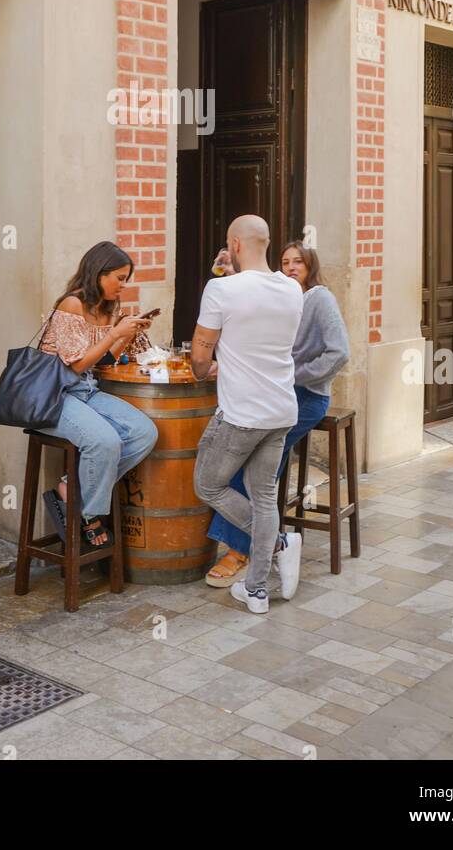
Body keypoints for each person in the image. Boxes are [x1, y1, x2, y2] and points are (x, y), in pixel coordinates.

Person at [204, 240, 350, 588]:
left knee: (246, 457)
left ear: (310, 265)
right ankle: (269, 542)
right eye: (285, 262)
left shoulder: (320, 299)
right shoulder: (283, 294)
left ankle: (242, 550)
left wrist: (295, 375)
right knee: (254, 462)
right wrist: (233, 271)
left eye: (298, 262)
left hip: (307, 396)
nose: (291, 267)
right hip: (278, 394)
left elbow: (339, 353)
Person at [191, 215, 305, 613]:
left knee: (208, 485)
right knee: (264, 498)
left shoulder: (220, 289)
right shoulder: (293, 289)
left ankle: (278, 543)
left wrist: (207, 368)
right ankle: (256, 591)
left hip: (241, 414)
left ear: (235, 244)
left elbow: (200, 358)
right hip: (281, 411)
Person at [39, 242, 159, 550]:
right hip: (55, 393)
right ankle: (89, 515)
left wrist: (127, 333)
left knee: (145, 433)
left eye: (125, 279)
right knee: (105, 441)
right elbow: (76, 363)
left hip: (86, 390)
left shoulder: (107, 310)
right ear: (98, 273)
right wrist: (114, 334)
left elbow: (104, 361)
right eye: (119, 278)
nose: (123, 286)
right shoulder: (71, 305)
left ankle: (72, 488)